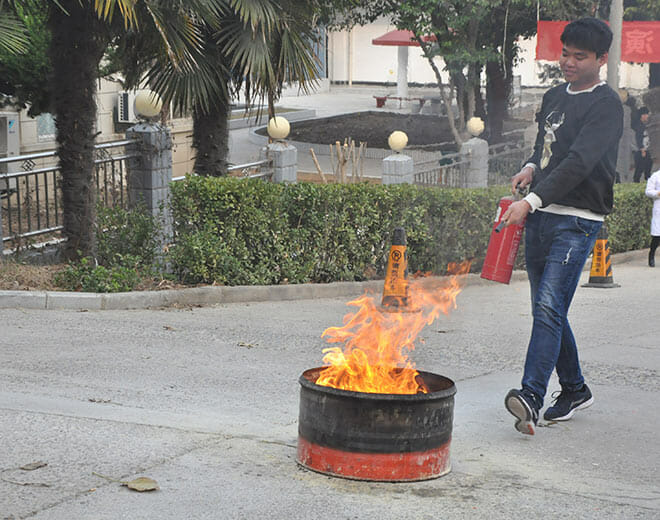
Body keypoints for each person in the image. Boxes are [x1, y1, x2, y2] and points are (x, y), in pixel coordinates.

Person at [499, 17, 623, 435]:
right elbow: (547, 149)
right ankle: (574, 388)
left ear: (601, 59)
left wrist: (530, 201)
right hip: (541, 214)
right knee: (546, 307)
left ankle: (530, 396)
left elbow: (578, 162)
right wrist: (530, 168)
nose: (568, 62)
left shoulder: (606, 106)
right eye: (565, 54)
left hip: (578, 219)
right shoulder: (554, 95)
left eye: (579, 57)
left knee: (550, 306)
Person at [633, 107, 653, 183]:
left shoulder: (644, 125)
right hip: (641, 151)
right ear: (642, 115)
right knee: (640, 168)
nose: (647, 116)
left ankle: (647, 181)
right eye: (646, 114)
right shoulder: (639, 126)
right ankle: (636, 183)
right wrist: (642, 149)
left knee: (648, 165)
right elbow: (638, 138)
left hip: (646, 149)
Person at [646, 168, 660, 267]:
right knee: (657, 236)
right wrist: (658, 193)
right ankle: (651, 255)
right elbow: (648, 191)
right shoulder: (656, 176)